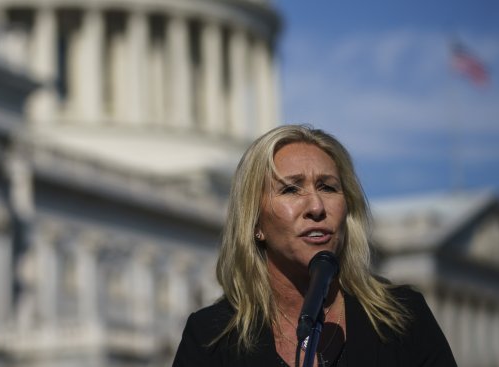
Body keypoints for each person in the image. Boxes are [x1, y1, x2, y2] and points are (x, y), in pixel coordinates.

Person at [172, 124, 456, 367]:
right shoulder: (211, 337)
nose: (317, 207)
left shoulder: (403, 318)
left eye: (328, 187)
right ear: (255, 222)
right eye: (291, 189)